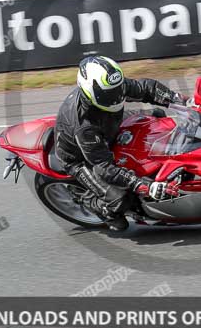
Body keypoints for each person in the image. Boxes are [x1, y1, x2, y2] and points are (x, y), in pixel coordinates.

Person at [54, 55, 184, 231]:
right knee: (120, 199)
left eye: (118, 89)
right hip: (80, 158)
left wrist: (179, 100)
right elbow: (104, 168)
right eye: (108, 94)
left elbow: (145, 89)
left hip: (110, 124)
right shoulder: (84, 126)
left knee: (157, 116)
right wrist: (142, 185)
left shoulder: (112, 88)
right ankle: (92, 203)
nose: (116, 97)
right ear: (90, 91)